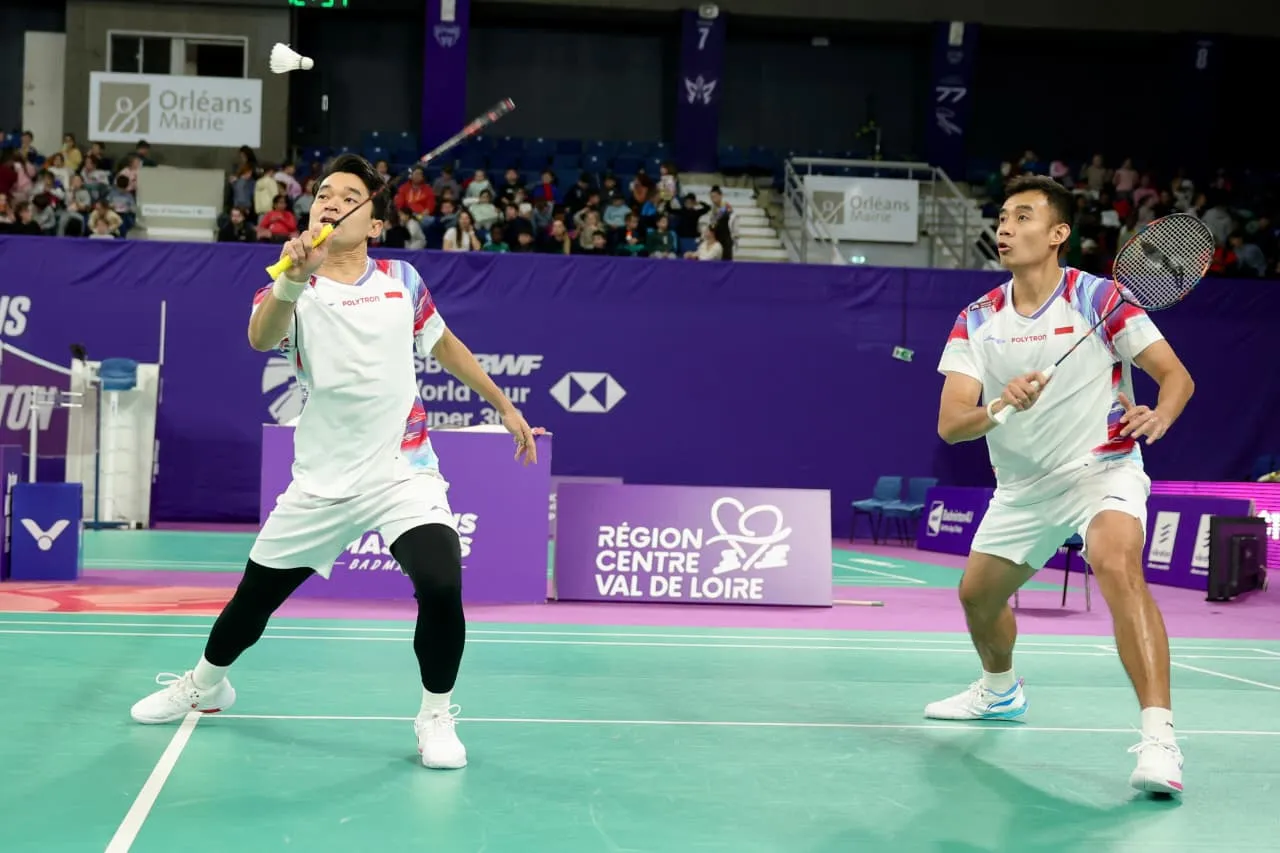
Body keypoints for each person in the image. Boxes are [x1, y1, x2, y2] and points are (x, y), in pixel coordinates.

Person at [129, 154, 540, 771]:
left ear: (374, 224)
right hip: (322, 482)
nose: (332, 202)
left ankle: (435, 715)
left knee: (440, 583)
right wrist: (294, 279)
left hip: (403, 471)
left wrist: (503, 405)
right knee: (253, 600)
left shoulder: (402, 280)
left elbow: (445, 345)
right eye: (324, 193)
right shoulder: (290, 281)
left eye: (350, 197)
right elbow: (260, 337)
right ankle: (206, 684)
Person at [929, 174, 1195, 796]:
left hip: (1102, 469)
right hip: (1023, 488)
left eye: (1022, 217)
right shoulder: (977, 319)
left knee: (1116, 562)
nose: (1005, 227)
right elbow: (951, 424)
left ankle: (1160, 739)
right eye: (1002, 217)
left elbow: (1176, 376)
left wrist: (1160, 415)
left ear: (1057, 234)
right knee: (976, 599)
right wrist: (1002, 405)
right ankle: (999, 691)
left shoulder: (1100, 299)